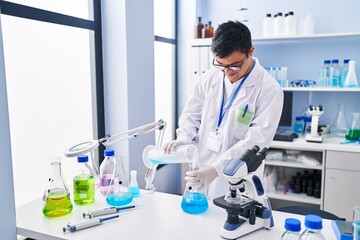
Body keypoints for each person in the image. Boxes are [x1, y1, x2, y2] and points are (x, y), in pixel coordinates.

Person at [164, 21, 284, 199]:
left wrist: (216, 169)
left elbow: (255, 142)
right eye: (221, 65)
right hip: (200, 170)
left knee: (232, 223)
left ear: (250, 52)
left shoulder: (269, 90)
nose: (227, 72)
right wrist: (184, 137)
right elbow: (191, 114)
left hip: (238, 179)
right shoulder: (209, 77)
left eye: (234, 65)